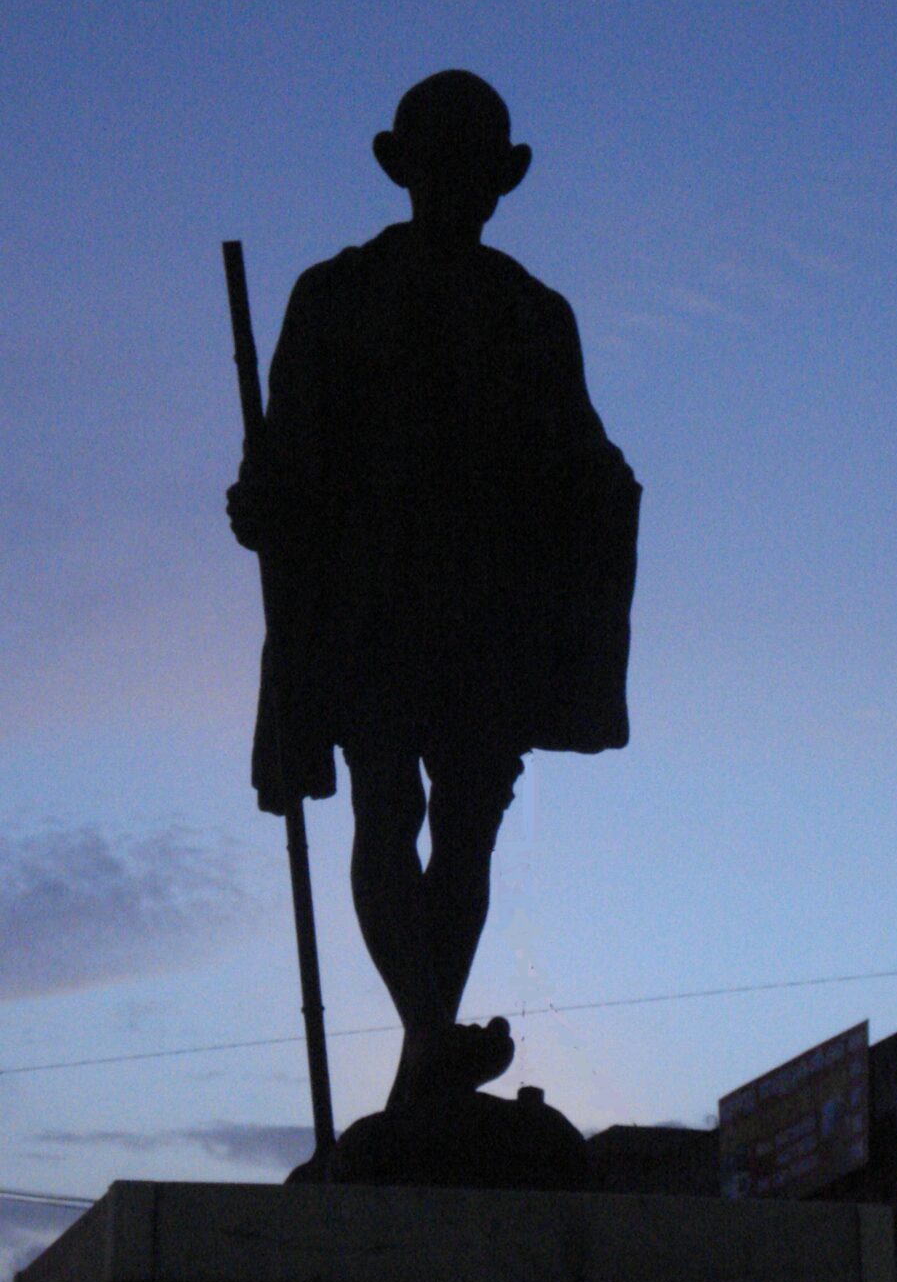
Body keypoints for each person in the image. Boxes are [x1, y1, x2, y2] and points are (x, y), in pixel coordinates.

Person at [228, 71, 640, 1108]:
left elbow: (578, 456)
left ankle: (425, 1059)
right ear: (403, 169)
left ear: (502, 182)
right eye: (440, 165)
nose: (460, 188)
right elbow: (289, 451)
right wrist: (266, 501)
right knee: (386, 797)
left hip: (490, 615)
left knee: (467, 820)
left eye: (477, 171)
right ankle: (428, 1033)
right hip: (369, 604)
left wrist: (600, 498)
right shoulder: (336, 294)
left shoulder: (533, 314)